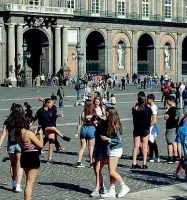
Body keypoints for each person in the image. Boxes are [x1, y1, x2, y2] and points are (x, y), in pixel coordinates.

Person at [100, 107, 130, 198]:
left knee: (112, 171)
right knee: (111, 171)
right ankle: (112, 191)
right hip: (111, 148)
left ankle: (124, 186)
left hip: (116, 149)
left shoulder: (115, 125)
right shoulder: (109, 123)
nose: (105, 115)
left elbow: (117, 140)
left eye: (107, 113)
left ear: (111, 114)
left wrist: (107, 139)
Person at [33, 98, 70, 163]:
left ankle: (49, 159)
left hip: (50, 126)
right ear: (46, 103)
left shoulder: (50, 110)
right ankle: (63, 137)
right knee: (53, 128)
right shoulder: (40, 111)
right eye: (50, 103)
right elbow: (35, 118)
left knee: (51, 143)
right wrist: (31, 124)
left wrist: (58, 116)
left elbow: (53, 117)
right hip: (44, 128)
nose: (51, 105)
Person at [16, 114, 43, 200]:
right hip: (32, 157)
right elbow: (40, 145)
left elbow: (27, 143)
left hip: (24, 156)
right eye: (31, 122)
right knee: (30, 182)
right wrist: (41, 135)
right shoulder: (29, 133)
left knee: (28, 180)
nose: (31, 124)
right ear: (27, 122)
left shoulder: (19, 132)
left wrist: (34, 134)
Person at [0, 104, 24, 192]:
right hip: (20, 144)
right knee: (20, 164)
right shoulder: (23, 120)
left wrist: (0, 144)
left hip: (11, 144)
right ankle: (18, 185)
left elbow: (3, 133)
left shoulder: (8, 120)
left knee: (13, 164)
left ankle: (13, 183)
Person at [90, 97, 108, 197]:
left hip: (103, 150)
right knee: (96, 169)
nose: (95, 126)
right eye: (94, 125)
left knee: (97, 170)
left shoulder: (104, 126)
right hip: (97, 149)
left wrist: (102, 117)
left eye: (96, 124)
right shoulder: (97, 130)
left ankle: (97, 189)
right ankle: (103, 188)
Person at [132, 91, 152, 169]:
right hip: (145, 129)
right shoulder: (148, 109)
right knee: (144, 146)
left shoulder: (134, 108)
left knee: (136, 146)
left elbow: (134, 119)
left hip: (137, 128)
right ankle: (144, 163)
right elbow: (149, 119)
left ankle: (134, 163)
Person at [73, 100, 96, 168]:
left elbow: (80, 124)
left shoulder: (82, 113)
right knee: (91, 148)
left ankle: (79, 162)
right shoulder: (93, 113)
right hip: (91, 129)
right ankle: (91, 163)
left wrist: (77, 133)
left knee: (82, 147)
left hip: (83, 129)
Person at [164, 96, 180, 164]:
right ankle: (176, 157)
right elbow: (177, 118)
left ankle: (170, 157)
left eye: (168, 101)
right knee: (174, 142)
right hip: (175, 126)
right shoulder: (177, 109)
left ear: (171, 101)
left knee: (169, 143)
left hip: (170, 127)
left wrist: (167, 110)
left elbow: (165, 117)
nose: (167, 102)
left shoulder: (170, 110)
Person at [147, 94, 160, 163]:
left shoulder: (153, 107)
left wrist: (148, 125)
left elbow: (154, 120)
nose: (147, 100)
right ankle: (151, 155)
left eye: (148, 99)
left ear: (151, 99)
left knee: (152, 142)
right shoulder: (151, 107)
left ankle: (156, 156)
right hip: (151, 126)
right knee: (150, 142)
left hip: (152, 126)